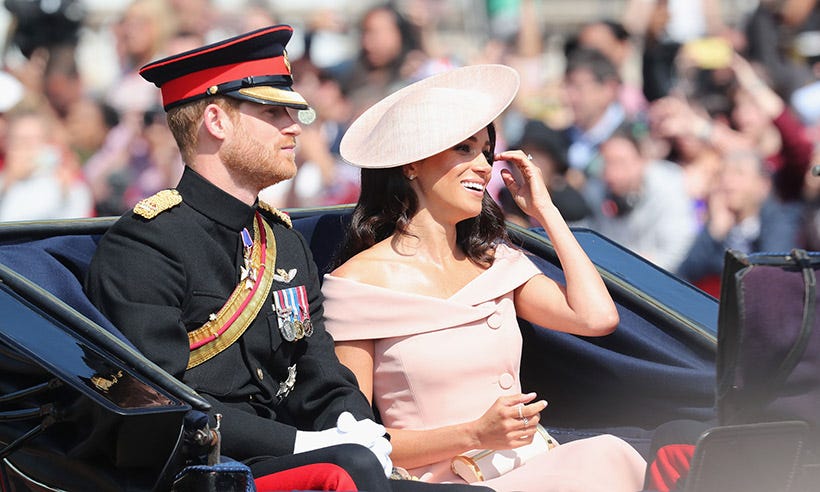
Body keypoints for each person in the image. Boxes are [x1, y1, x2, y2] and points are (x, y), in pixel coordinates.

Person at [84, 25, 488, 492]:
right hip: (204, 471)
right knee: (346, 471)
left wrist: (358, 427)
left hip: (290, 460)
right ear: (216, 121)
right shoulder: (145, 246)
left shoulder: (281, 241)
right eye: (274, 112)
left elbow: (320, 369)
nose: (295, 127)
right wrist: (302, 444)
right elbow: (163, 407)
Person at [322, 64, 647, 491]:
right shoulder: (357, 285)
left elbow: (595, 317)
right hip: (439, 483)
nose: (483, 166)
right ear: (412, 165)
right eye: (464, 149)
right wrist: (474, 434)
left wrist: (545, 211)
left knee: (610, 453)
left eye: (486, 152)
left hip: (532, 464)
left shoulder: (496, 264)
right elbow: (353, 444)